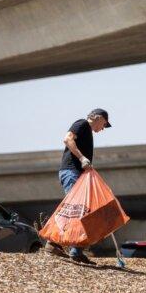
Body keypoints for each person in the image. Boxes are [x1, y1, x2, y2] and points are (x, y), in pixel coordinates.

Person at [45, 108, 111, 264]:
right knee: (76, 210)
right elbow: (68, 139)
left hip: (76, 173)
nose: (102, 129)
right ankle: (55, 244)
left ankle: (73, 250)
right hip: (71, 172)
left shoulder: (87, 131)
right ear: (98, 117)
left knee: (81, 210)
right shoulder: (81, 124)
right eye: (104, 124)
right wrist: (82, 159)